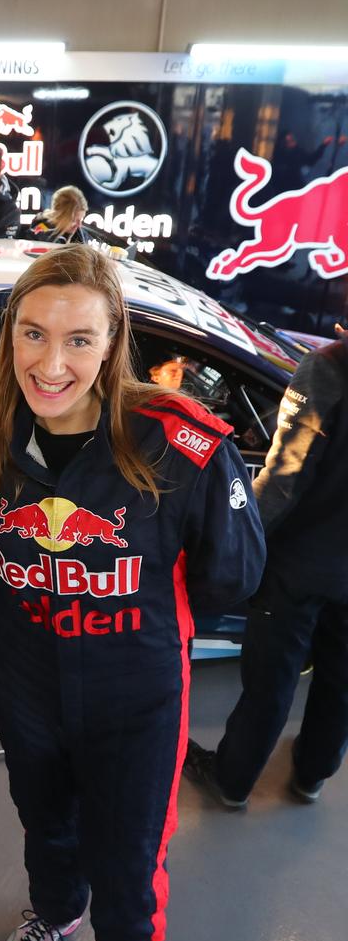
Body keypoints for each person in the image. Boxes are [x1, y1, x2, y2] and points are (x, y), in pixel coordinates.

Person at [0, 244, 265, 941]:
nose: (50, 362)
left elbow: (236, 575)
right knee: (45, 821)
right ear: (9, 339)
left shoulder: (184, 443)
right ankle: (56, 912)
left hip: (138, 689)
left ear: (114, 340)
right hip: (28, 679)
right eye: (32, 334)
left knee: (130, 854)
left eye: (78, 339)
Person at [184, 323, 348, 808]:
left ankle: (232, 781)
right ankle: (312, 775)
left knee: (270, 683)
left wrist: (235, 544)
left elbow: (282, 481)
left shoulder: (329, 369)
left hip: (298, 570)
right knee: (341, 681)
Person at [27, 185, 92, 244]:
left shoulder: (80, 234)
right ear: (59, 215)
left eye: (81, 219)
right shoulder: (40, 235)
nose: (79, 225)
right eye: (73, 220)